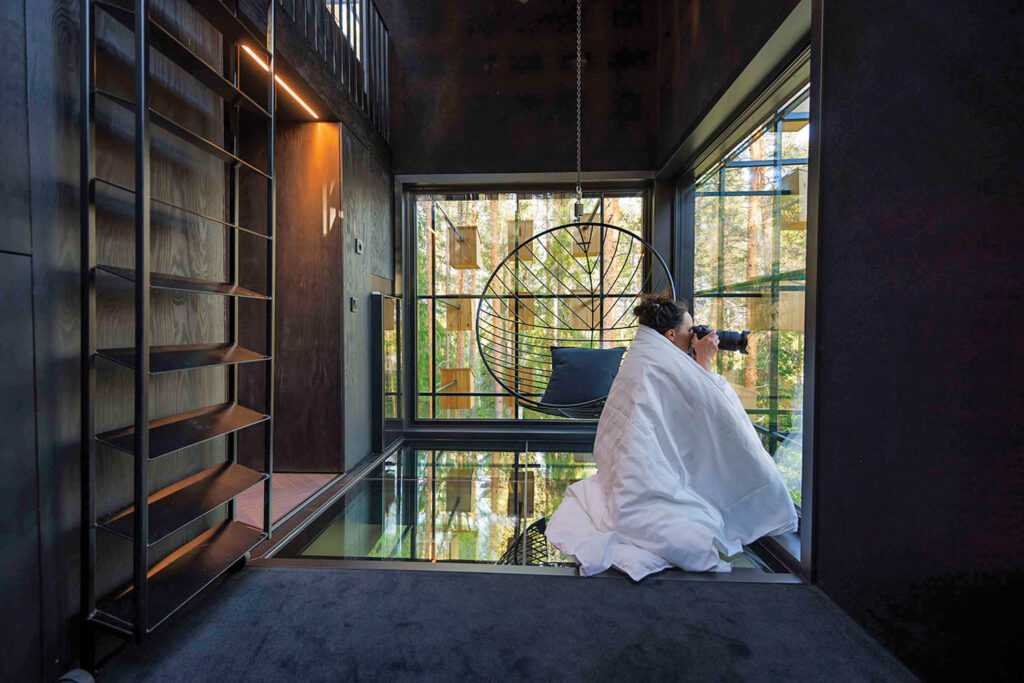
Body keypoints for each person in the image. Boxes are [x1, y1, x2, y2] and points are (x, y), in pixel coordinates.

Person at [545, 294, 798, 579]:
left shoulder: (646, 357)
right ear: (670, 335)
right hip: (643, 472)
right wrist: (704, 360)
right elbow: (713, 411)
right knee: (689, 533)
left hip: (632, 464)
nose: (693, 337)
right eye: (690, 332)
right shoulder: (657, 362)